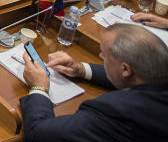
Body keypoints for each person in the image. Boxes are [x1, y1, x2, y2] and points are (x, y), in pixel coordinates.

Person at [19, 22, 168, 141]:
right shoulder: (157, 76)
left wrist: (39, 87)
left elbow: (39, 133)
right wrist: (80, 69)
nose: (100, 56)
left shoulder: (117, 114)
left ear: (125, 69)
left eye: (104, 54)